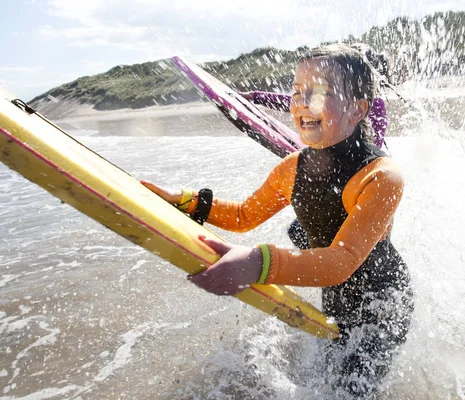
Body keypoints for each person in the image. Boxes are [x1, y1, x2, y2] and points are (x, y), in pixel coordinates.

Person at [141, 43, 413, 399]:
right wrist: (188, 202)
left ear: (357, 109)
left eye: (320, 93)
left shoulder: (381, 176)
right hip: (335, 296)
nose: (302, 103)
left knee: (350, 391)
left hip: (382, 304)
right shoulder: (291, 169)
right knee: (329, 377)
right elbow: (243, 216)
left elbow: (341, 262)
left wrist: (259, 262)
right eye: (297, 92)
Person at [239, 43, 390, 250]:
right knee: (300, 232)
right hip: (338, 175)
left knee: (362, 247)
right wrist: (257, 97)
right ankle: (319, 267)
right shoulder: (330, 100)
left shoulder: (374, 106)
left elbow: (373, 143)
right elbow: (297, 102)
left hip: (361, 182)